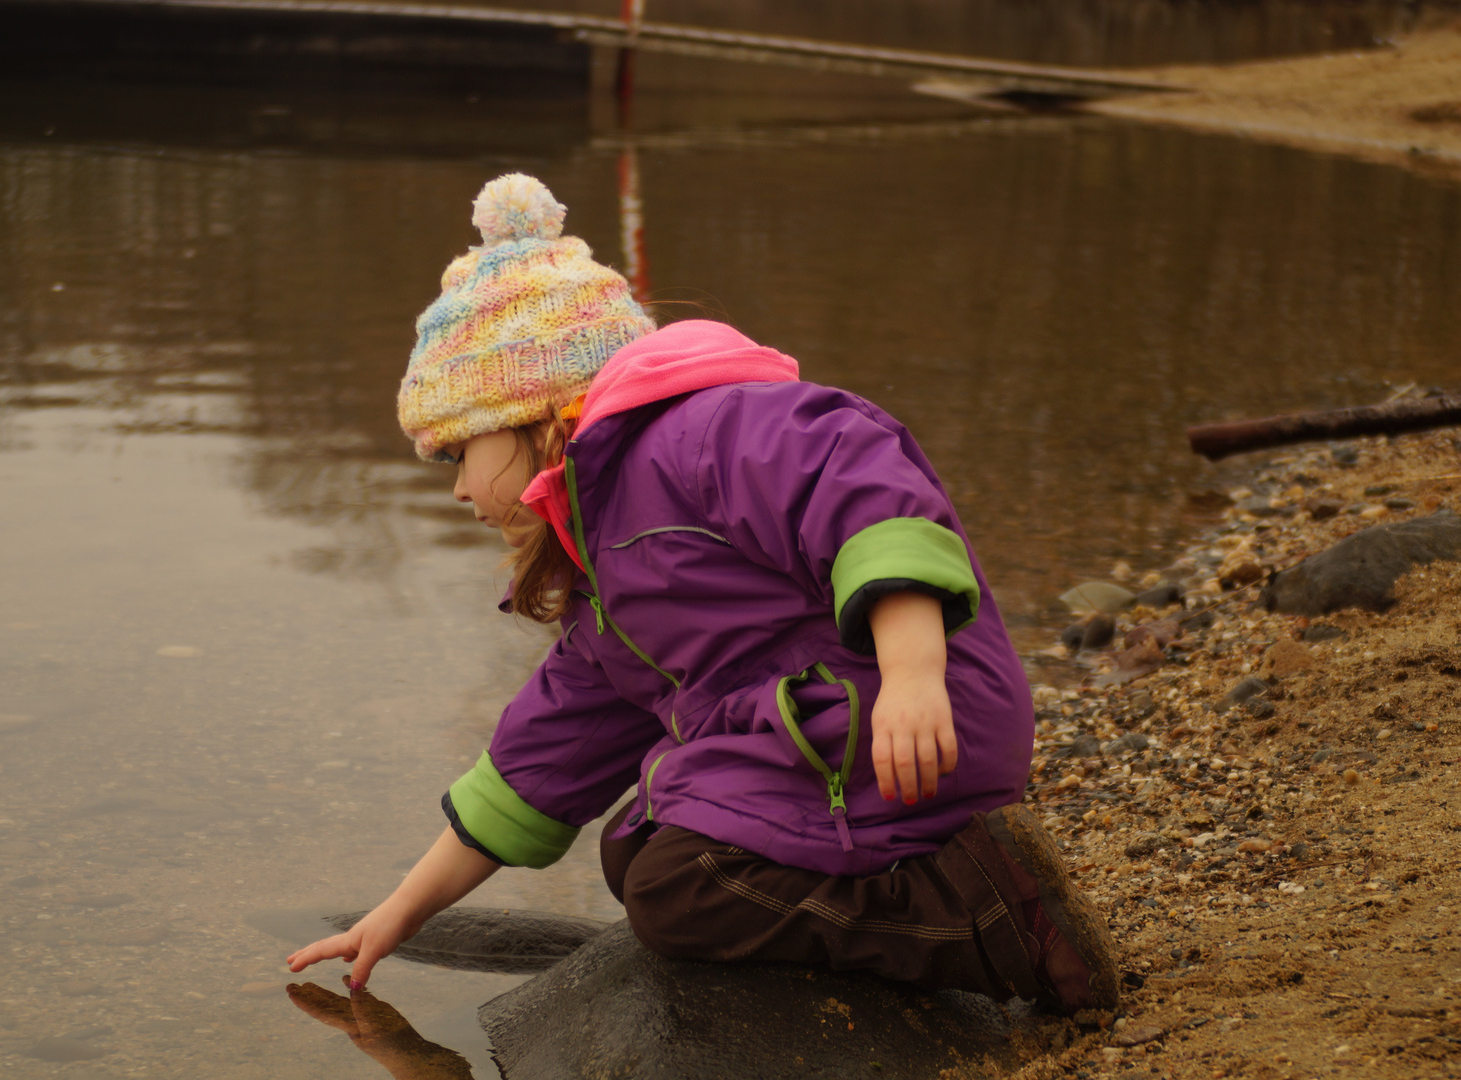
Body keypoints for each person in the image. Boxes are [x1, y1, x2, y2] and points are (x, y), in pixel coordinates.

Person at [287, 174, 1119, 1016]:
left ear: (535, 417)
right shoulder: (604, 583)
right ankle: (941, 883)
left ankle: (990, 919)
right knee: (637, 846)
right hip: (841, 742)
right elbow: (541, 761)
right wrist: (398, 915)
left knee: (679, 890)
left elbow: (866, 485)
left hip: (914, 719)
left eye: (455, 453)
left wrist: (910, 669)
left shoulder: (702, 436)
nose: (458, 490)